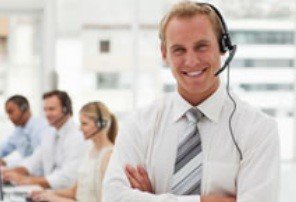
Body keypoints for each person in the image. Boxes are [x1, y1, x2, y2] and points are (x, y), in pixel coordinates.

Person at [103, 1, 279, 202]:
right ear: (164, 54)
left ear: (223, 47)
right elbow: (113, 197)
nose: (192, 61)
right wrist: (204, 201)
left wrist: (152, 199)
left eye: (201, 47)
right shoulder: (139, 124)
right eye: (179, 50)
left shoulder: (259, 129)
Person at [29, 101, 118, 202]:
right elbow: (75, 191)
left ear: (101, 124)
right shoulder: (89, 151)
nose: (80, 129)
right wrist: (47, 193)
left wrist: (55, 199)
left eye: (84, 124)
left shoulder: (108, 157)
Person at [3, 90, 85, 189]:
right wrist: (10, 174)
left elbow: (67, 178)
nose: (47, 114)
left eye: (51, 109)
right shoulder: (50, 132)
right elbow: (34, 160)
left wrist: (26, 180)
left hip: (66, 194)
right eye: (45, 110)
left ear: (65, 109)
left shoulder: (77, 136)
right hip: (50, 192)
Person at [0, 95, 48, 168]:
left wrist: (6, 162)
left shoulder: (43, 127)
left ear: (24, 109)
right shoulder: (18, 131)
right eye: (7, 113)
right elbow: (5, 147)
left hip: (43, 174)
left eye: (11, 112)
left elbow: (37, 159)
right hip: (27, 174)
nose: (9, 117)